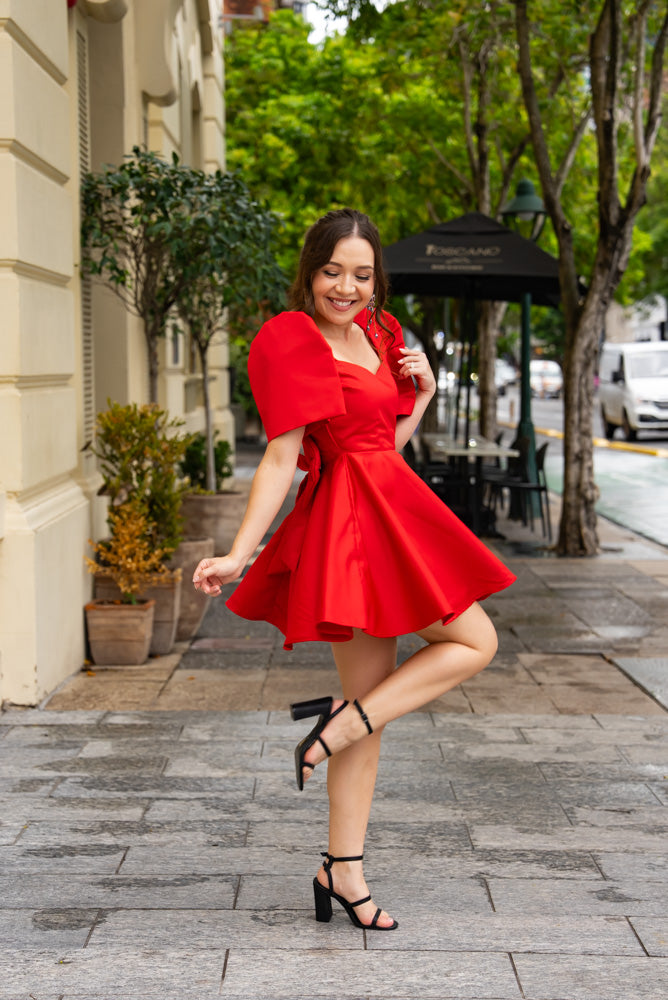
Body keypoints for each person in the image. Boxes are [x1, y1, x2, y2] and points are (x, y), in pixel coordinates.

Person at [193, 208, 515, 932]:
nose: (347, 286)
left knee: (434, 671)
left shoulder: (383, 335)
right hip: (349, 527)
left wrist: (424, 398)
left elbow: (380, 444)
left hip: (393, 509)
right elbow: (283, 455)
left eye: (362, 274)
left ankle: (340, 859)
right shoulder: (291, 339)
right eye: (333, 271)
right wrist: (239, 553)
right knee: (471, 644)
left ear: (378, 280)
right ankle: (343, 756)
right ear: (310, 271)